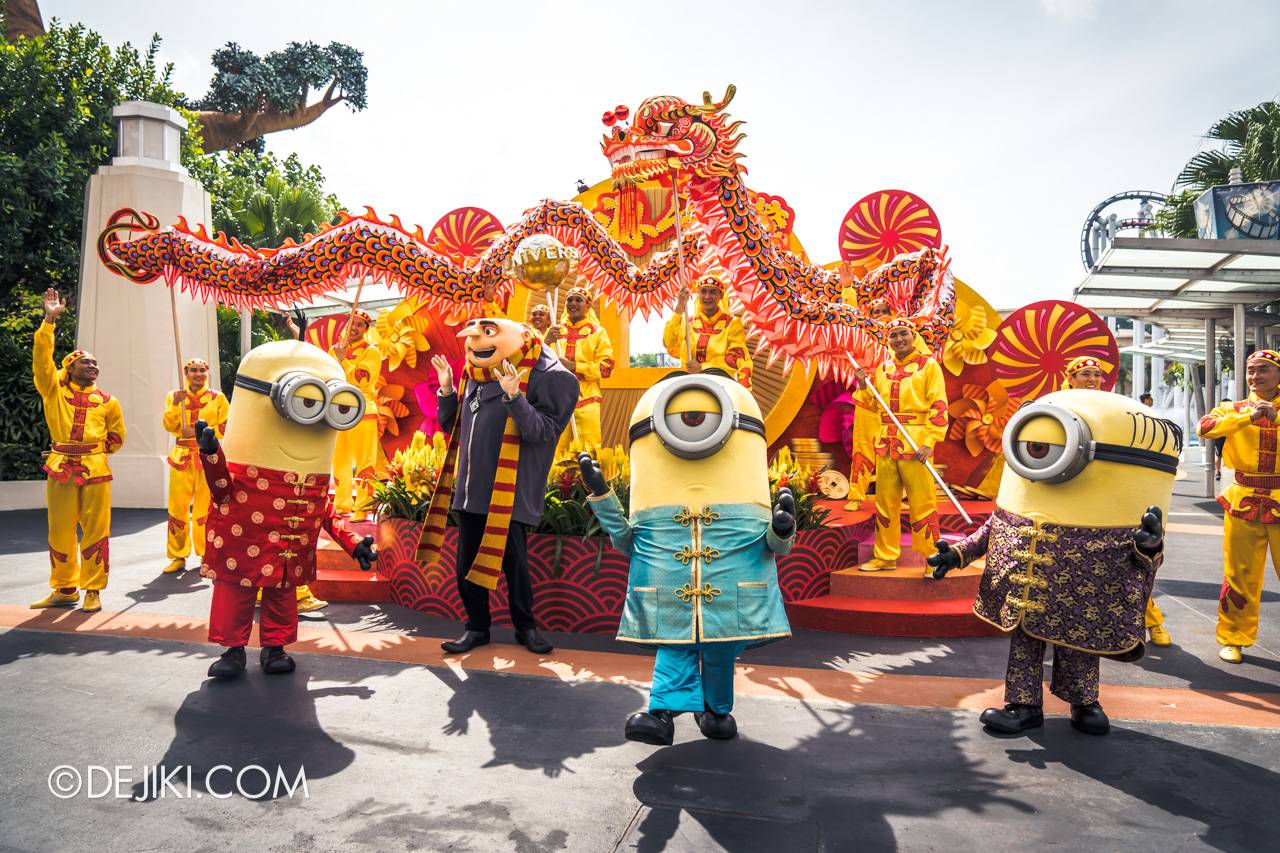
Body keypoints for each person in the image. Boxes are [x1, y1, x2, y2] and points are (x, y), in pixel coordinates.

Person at [930, 391, 1178, 736]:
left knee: (1079, 643)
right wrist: (958, 554)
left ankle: (1085, 701)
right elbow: (997, 527)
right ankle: (1022, 704)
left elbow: (1138, 556)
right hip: (1026, 590)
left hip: (1080, 590)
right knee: (1025, 644)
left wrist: (1148, 547)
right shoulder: (1032, 453)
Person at [579, 374, 795, 745]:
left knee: (721, 650)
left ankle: (714, 710)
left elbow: (775, 548)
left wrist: (782, 528)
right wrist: (602, 495)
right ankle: (661, 713)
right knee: (675, 645)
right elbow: (625, 540)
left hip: (731, 595)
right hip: (672, 596)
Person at [199, 340, 377, 678]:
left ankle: (274, 647)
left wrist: (353, 543)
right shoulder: (247, 464)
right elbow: (221, 489)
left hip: (288, 547)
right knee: (234, 591)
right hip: (242, 538)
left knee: (282, 594)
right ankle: (232, 650)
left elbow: (325, 511)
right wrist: (212, 456)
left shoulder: (314, 478)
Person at [422, 318, 578, 655]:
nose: (475, 344)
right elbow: (455, 428)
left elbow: (544, 432)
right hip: (471, 489)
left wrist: (514, 397)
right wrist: (447, 390)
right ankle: (476, 628)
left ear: (523, 338)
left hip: (509, 491)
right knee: (467, 568)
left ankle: (526, 628)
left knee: (514, 566)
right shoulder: (475, 376)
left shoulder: (548, 377)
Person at [1062, 355, 1172, 646]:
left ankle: (1151, 623)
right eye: (1085, 373)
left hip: (1111, 497)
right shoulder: (1055, 406)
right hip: (1068, 499)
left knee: (1127, 565)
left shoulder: (1116, 409)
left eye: (1097, 374)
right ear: (1070, 378)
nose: (1093, 380)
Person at [30, 289, 125, 612]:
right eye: (86, 362)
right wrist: (49, 320)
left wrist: (91, 451)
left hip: (95, 469)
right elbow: (43, 362)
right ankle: (65, 588)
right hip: (60, 467)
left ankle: (93, 589)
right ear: (70, 368)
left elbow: (117, 437)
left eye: (96, 363)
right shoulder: (52, 391)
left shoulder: (108, 401)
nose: (93, 366)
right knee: (59, 530)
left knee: (97, 530)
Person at [1198, 351, 1280, 664]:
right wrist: (1249, 417)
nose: (1255, 377)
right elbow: (1205, 427)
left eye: (1264, 370)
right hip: (1244, 500)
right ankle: (1234, 637)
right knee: (1239, 575)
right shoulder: (1232, 409)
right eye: (1251, 371)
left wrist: (1275, 417)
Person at [853, 319, 948, 571]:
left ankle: (932, 558)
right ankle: (885, 556)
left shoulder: (929, 366)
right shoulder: (881, 369)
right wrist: (863, 385)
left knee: (923, 501)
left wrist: (929, 442)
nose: (899, 339)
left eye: (903, 333)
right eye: (893, 335)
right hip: (885, 442)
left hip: (916, 441)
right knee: (885, 502)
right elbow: (873, 406)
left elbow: (939, 405)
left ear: (913, 336)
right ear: (888, 340)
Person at [161, 359, 228, 575]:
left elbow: (227, 425)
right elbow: (170, 426)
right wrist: (174, 405)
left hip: (207, 457)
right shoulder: (175, 396)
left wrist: (203, 432)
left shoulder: (217, 398)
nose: (198, 374)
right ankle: (178, 556)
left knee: (205, 509)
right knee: (177, 508)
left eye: (202, 370)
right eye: (193, 371)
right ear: (186, 373)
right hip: (181, 458)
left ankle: (206, 554)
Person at [544, 286, 615, 459]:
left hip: (586, 396)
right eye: (570, 299)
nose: (573, 303)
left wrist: (575, 366)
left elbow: (606, 368)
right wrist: (545, 342)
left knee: (588, 449)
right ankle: (554, 486)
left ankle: (587, 486)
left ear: (588, 306)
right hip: (556, 398)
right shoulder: (554, 332)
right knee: (556, 449)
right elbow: (536, 363)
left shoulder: (598, 333)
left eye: (578, 300)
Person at [329, 309, 381, 523]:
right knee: (339, 461)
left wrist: (344, 361)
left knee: (365, 463)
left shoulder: (372, 352)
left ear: (366, 330)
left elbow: (362, 379)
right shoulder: (334, 350)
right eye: (353, 322)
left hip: (363, 410)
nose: (355, 327)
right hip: (337, 411)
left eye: (361, 325)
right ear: (346, 323)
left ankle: (363, 507)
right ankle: (341, 504)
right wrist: (338, 356)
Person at [662, 273, 752, 389]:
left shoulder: (732, 323)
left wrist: (703, 367)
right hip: (690, 384)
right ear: (697, 294)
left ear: (721, 295)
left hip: (722, 386)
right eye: (703, 291)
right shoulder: (689, 322)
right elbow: (670, 344)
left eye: (713, 292)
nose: (707, 296)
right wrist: (679, 308)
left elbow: (737, 358)